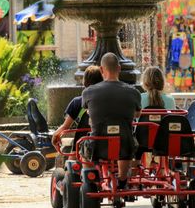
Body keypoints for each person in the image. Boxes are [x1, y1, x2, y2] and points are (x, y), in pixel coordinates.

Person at [82, 53, 141, 189]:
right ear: (119, 68)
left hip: (97, 146)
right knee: (125, 142)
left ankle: (92, 179)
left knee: (83, 148)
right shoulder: (133, 92)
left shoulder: (89, 92)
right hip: (126, 144)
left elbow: (88, 110)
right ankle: (122, 179)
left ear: (102, 70)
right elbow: (138, 113)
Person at [51, 66, 103, 157]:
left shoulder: (77, 102)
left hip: (81, 148)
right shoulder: (107, 101)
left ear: (84, 82)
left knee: (71, 164)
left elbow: (65, 127)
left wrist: (55, 136)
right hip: (105, 144)